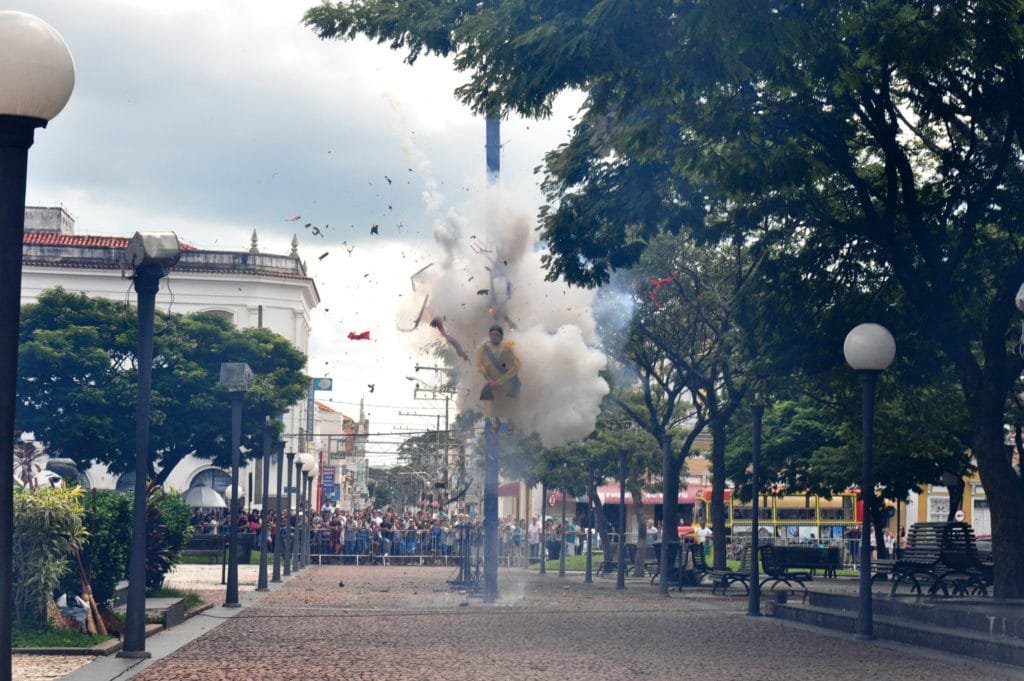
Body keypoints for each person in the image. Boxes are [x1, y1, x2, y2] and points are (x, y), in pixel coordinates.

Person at [475, 324, 521, 426]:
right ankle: (497, 422)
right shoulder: (483, 348)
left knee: (509, 403)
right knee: (492, 405)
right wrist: (489, 380)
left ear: (501, 336)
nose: (494, 337)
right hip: (490, 383)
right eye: (492, 335)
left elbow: (516, 365)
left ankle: (511, 423)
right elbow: (480, 365)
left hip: (505, 383)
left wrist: (501, 381)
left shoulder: (507, 347)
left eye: (497, 335)